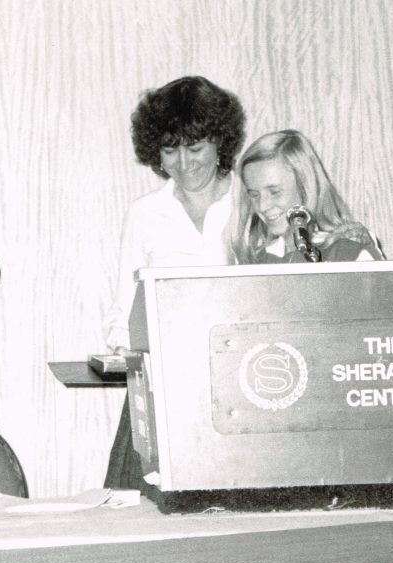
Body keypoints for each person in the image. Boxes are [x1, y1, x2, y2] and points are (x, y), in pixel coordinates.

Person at [102, 76, 246, 490]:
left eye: (196, 147)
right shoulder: (146, 213)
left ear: (220, 142)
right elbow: (124, 307)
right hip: (165, 387)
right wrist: (123, 352)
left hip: (237, 387)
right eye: (170, 150)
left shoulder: (249, 201)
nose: (184, 164)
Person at [234, 129, 384, 263]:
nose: (262, 206)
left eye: (274, 192)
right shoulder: (256, 262)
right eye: (254, 195)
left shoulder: (349, 254)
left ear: (305, 188)